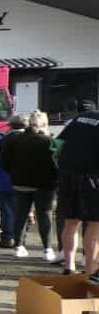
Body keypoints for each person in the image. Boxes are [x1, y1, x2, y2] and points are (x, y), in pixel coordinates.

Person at [2, 110, 58, 261]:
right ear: (45, 125)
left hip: (20, 183)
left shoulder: (15, 139)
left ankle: (18, 247)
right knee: (44, 216)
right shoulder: (48, 141)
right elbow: (55, 165)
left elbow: (5, 161)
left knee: (20, 215)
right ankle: (47, 249)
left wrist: (13, 174)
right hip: (44, 185)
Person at [54, 106, 99, 278]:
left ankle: (69, 265)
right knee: (95, 225)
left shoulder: (81, 117)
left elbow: (57, 144)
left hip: (67, 175)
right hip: (92, 177)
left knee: (71, 222)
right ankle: (91, 270)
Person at [0, 115, 26, 249]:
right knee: (22, 211)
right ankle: (21, 239)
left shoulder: (5, 140)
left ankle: (7, 238)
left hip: (5, 180)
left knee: (6, 210)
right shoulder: (32, 138)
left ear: (11, 125)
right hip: (26, 180)